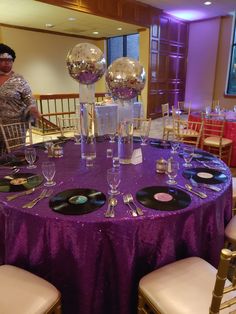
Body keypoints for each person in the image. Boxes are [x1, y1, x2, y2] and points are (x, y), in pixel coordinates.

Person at [0, 43, 41, 154]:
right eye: (2, 60)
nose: (6, 63)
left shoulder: (19, 79)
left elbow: (29, 97)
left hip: (15, 126)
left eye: (10, 60)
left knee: (15, 155)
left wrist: (32, 107)